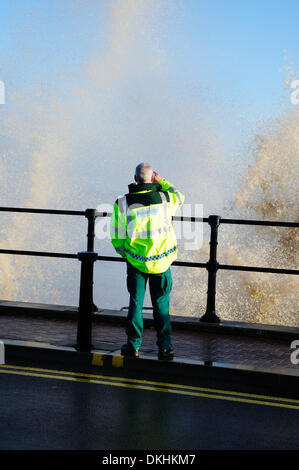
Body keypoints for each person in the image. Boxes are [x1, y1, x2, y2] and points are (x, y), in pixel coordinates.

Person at [110, 163, 184, 360]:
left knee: (136, 304)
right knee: (161, 305)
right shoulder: (163, 198)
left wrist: (125, 254)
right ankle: (165, 347)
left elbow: (117, 236)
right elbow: (180, 196)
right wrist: (163, 182)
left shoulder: (122, 203)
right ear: (152, 178)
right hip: (161, 262)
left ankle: (133, 346)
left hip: (136, 262)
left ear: (134, 178)